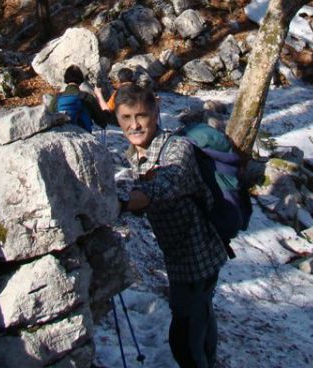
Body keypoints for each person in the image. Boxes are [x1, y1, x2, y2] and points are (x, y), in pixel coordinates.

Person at [116, 84, 228, 368]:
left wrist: (123, 203)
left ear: (156, 113)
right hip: (181, 257)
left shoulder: (177, 148)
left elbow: (168, 182)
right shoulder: (137, 155)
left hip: (198, 257)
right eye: (126, 117)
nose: (134, 125)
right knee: (200, 318)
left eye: (141, 115)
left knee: (184, 343)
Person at [48, 65, 110, 131]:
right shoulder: (87, 97)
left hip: (62, 134)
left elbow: (49, 118)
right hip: (83, 134)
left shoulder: (56, 98)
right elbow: (102, 121)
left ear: (66, 79)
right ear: (81, 80)